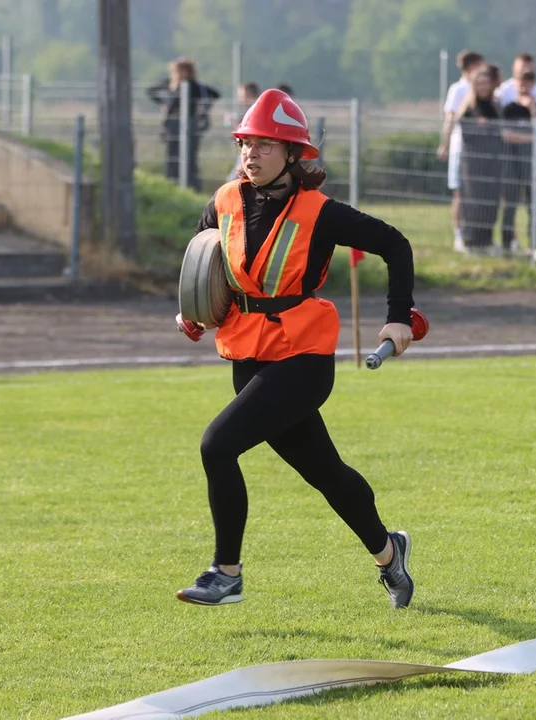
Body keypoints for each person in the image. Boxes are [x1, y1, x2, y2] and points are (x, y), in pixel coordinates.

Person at [177, 89, 418, 610]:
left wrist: (399, 316)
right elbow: (201, 258)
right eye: (246, 143)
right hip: (249, 353)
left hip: (303, 357)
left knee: (216, 445)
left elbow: (396, 244)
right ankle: (388, 552)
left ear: (293, 155)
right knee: (325, 473)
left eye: (265, 145)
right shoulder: (223, 200)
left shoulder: (320, 211)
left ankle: (226, 573)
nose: (251, 154)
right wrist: (190, 311)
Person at [146, 57, 221, 192]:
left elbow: (215, 94)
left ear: (186, 71)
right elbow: (151, 91)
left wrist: (200, 107)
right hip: (173, 126)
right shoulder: (170, 86)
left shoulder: (196, 88)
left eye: (176, 71)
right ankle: (170, 188)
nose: (174, 75)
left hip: (191, 126)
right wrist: (165, 101)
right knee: (172, 158)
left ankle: (192, 188)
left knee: (190, 159)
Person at [438, 50, 486, 252]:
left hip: (480, 149)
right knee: (460, 191)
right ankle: (459, 234)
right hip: (460, 146)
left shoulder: (484, 86)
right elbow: (450, 118)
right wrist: (445, 144)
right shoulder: (458, 89)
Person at [501, 70, 536, 258]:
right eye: (522, 83)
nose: (525, 87)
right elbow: (507, 136)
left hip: (535, 164)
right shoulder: (508, 109)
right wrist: (532, 137)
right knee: (510, 206)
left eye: (529, 83)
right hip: (513, 163)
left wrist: (533, 111)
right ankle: (507, 245)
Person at [456, 67, 504, 254]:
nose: (484, 87)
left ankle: (486, 240)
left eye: (486, 83)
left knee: (491, 201)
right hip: (473, 162)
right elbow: (466, 131)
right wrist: (480, 127)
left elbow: (500, 130)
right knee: (473, 200)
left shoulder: (495, 105)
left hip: (493, 161)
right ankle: (470, 241)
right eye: (480, 83)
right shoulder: (469, 107)